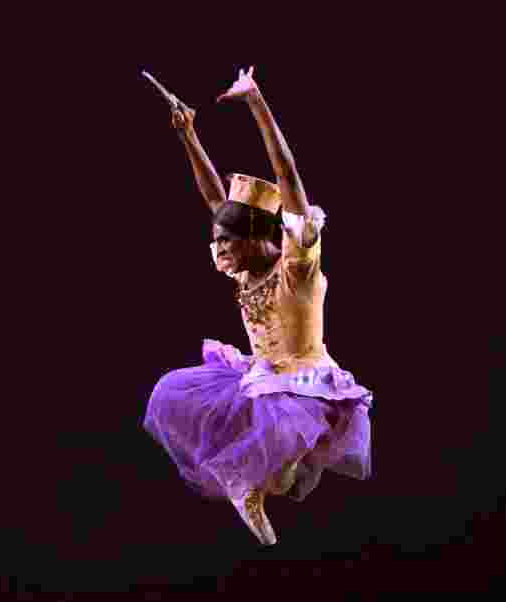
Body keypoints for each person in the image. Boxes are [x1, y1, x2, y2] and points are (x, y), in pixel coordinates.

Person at [142, 68, 372, 545]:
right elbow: (214, 198)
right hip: (262, 374)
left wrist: (257, 103)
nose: (219, 251)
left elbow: (289, 179)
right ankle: (244, 485)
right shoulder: (244, 265)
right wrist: (189, 134)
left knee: (287, 463)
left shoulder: (296, 268)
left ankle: (254, 480)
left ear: (255, 239)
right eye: (217, 241)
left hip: (306, 383)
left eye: (227, 241)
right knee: (179, 398)